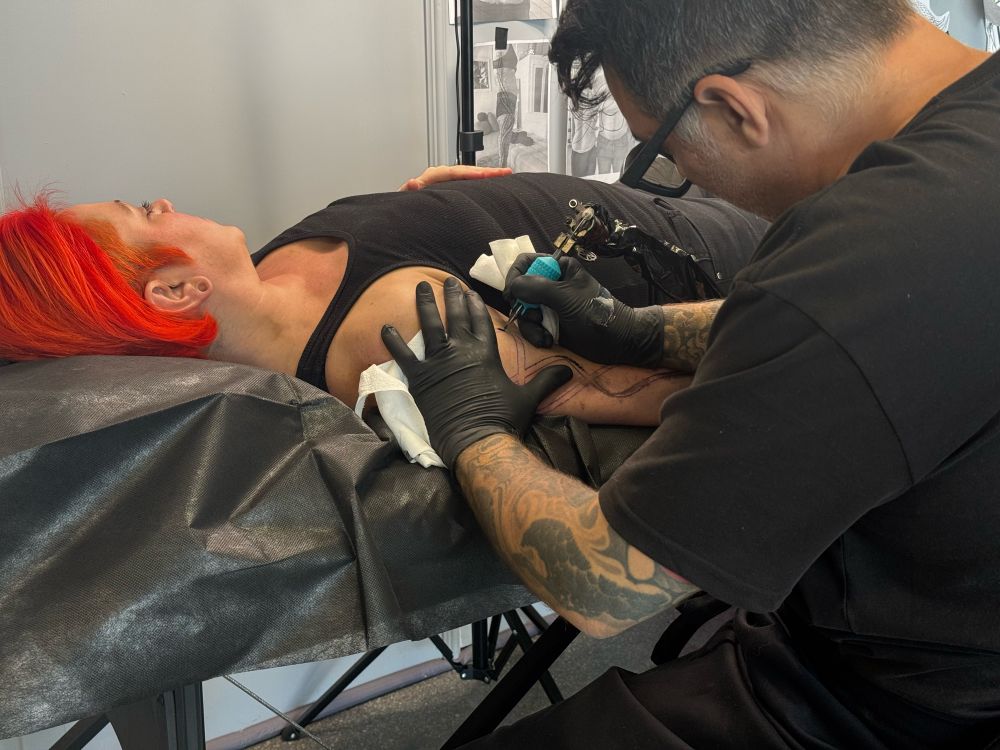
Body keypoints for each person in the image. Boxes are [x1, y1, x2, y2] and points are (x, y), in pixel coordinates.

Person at [382, 1, 1000, 748]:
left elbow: (603, 584)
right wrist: (637, 332)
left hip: (906, 711)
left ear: (732, 107)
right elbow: (891, 333)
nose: (679, 174)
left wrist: (473, 428)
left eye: (664, 155)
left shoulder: (868, 251)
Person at [0, 166, 766, 429]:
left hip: (661, 215)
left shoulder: (271, 275)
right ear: (176, 291)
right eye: (144, 214)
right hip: (725, 273)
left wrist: (455, 209)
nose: (163, 204)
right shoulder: (397, 330)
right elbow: (635, 394)